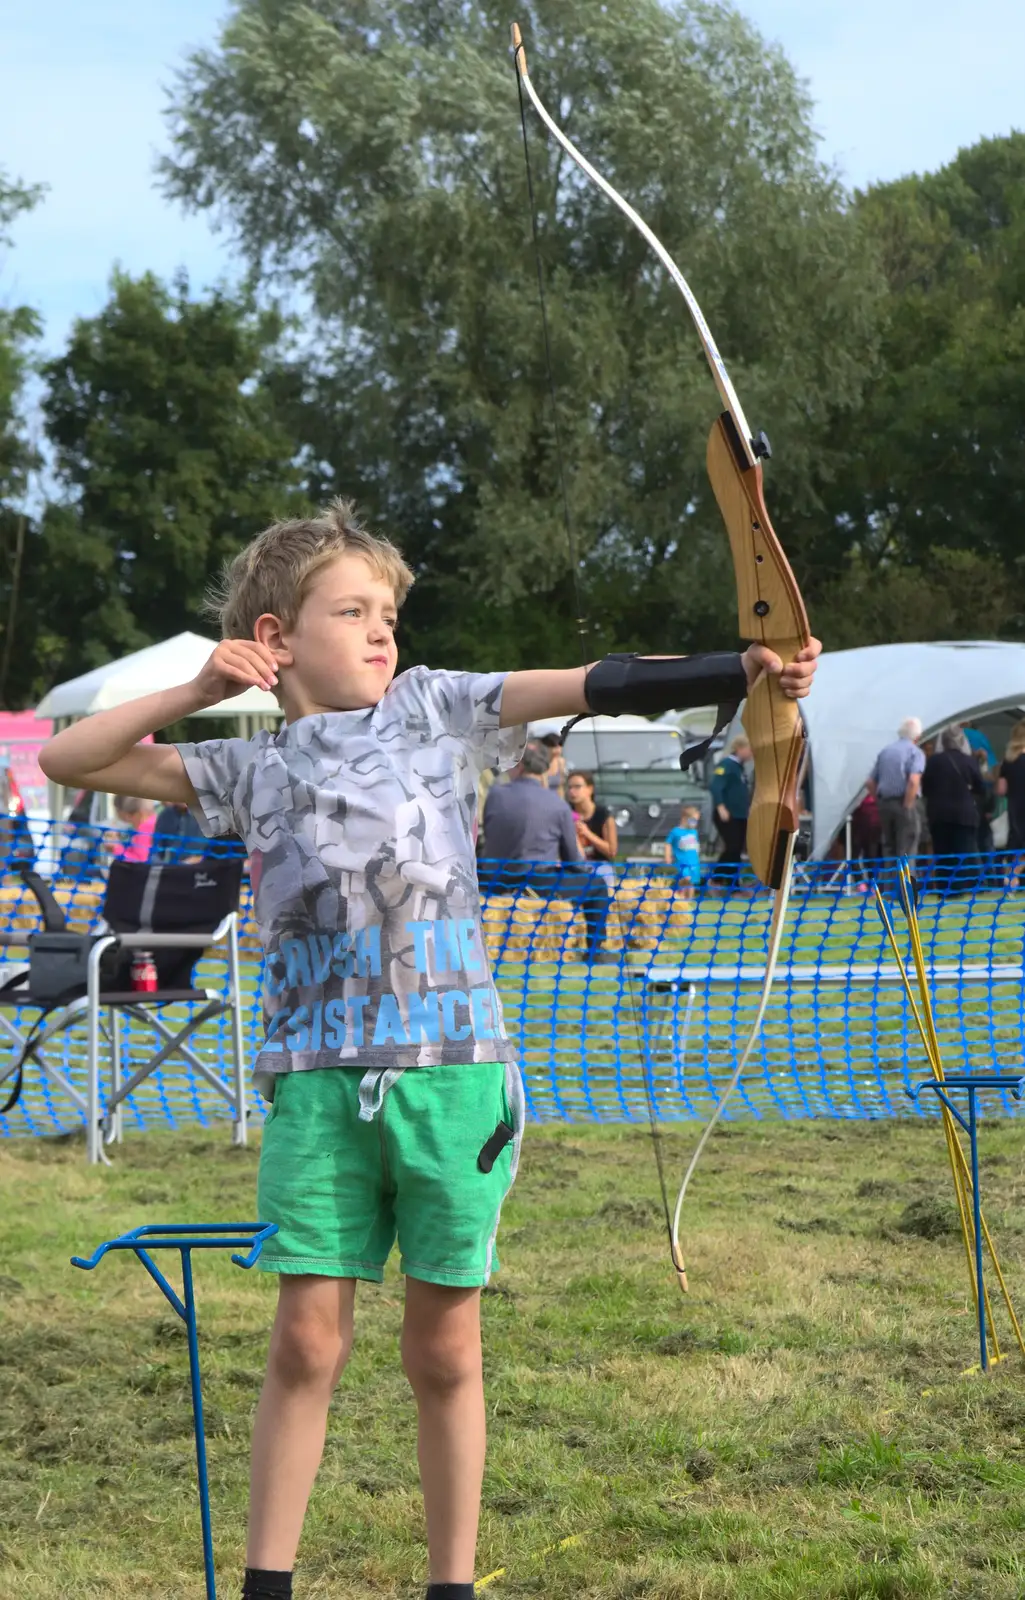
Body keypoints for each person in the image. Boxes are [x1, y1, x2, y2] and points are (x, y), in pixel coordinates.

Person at [39, 499, 820, 1600]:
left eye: (388, 613)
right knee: (306, 1339)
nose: (379, 632)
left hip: (453, 1076)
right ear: (275, 635)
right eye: (350, 610)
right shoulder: (245, 770)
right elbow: (75, 760)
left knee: (442, 1348)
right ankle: (269, 1582)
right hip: (314, 1086)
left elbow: (588, 682)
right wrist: (201, 690)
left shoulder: (434, 709)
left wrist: (739, 668)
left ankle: (448, 1585)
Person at [480, 742, 615, 963]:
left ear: (520, 766)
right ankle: (595, 952)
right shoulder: (558, 804)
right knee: (598, 886)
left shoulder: (495, 794)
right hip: (538, 884)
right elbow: (574, 860)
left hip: (493, 880)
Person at [921, 725, 985, 891]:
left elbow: (925, 788)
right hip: (964, 815)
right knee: (963, 854)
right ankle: (962, 888)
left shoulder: (934, 761)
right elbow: (981, 788)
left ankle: (944, 889)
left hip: (939, 814)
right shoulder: (969, 761)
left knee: (942, 855)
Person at [866, 717, 925, 863]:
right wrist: (908, 805)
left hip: (885, 804)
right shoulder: (915, 752)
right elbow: (913, 781)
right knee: (907, 851)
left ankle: (889, 885)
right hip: (904, 802)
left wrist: (879, 802)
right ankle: (905, 885)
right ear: (917, 737)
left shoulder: (886, 751)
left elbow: (869, 782)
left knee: (889, 851)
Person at [566, 768, 617, 890]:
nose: (572, 792)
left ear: (590, 789)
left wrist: (587, 833)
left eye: (577, 787)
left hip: (600, 865)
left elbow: (612, 851)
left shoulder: (603, 814)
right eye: (569, 787)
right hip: (573, 866)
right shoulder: (565, 813)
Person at [709, 735, 751, 882]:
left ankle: (732, 883)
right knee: (732, 847)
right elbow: (716, 786)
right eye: (749, 749)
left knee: (737, 849)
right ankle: (717, 879)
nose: (752, 753)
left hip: (741, 815)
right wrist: (721, 806)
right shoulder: (726, 765)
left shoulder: (740, 768)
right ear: (739, 749)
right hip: (728, 814)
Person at [997, 720, 1025, 853]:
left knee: (1016, 847)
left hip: (1015, 809)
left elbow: (1001, 790)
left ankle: (1010, 873)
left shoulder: (1008, 761)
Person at [664, 803, 702, 900]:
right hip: (682, 862)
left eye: (696, 821)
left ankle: (688, 902)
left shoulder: (694, 832)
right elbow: (668, 843)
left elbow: (695, 847)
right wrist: (667, 856)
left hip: (694, 863)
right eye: (693, 820)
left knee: (691, 883)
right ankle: (679, 899)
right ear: (684, 818)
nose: (695, 823)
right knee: (685, 879)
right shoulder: (676, 831)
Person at [111, 794, 156, 862]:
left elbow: (140, 860)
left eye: (130, 816)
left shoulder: (145, 829)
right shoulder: (153, 821)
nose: (129, 820)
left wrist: (116, 848)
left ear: (140, 814)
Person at [539, 731, 567, 799]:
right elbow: (544, 787)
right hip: (543, 799)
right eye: (555, 746)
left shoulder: (561, 762)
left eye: (560, 746)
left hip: (557, 800)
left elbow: (561, 787)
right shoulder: (540, 762)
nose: (558, 749)